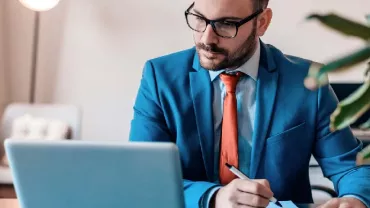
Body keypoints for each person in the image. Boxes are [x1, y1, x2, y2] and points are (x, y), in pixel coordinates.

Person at [129, 0, 370, 207]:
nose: (206, 38)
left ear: (262, 22)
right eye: (199, 18)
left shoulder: (306, 82)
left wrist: (354, 198)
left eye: (226, 24)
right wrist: (213, 198)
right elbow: (143, 177)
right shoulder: (159, 78)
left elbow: (350, 166)